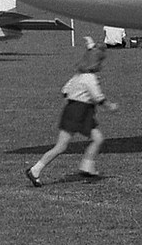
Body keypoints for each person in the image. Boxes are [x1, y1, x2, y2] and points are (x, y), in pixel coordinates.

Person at [26, 39, 119, 186]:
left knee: (98, 138)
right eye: (101, 62)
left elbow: (64, 91)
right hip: (78, 112)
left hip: (77, 110)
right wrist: (111, 106)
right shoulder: (90, 78)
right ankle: (35, 169)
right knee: (61, 146)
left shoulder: (78, 76)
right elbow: (98, 97)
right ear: (97, 63)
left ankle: (87, 166)